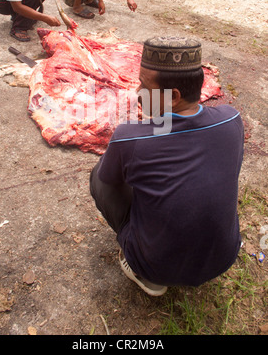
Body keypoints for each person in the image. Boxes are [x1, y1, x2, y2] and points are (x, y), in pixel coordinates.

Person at [90, 37, 244, 296]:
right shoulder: (231, 120)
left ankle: (144, 272)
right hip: (223, 258)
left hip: (157, 268)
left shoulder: (131, 137)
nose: (138, 92)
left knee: (99, 177)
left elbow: (109, 182)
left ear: (173, 96)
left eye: (144, 85)